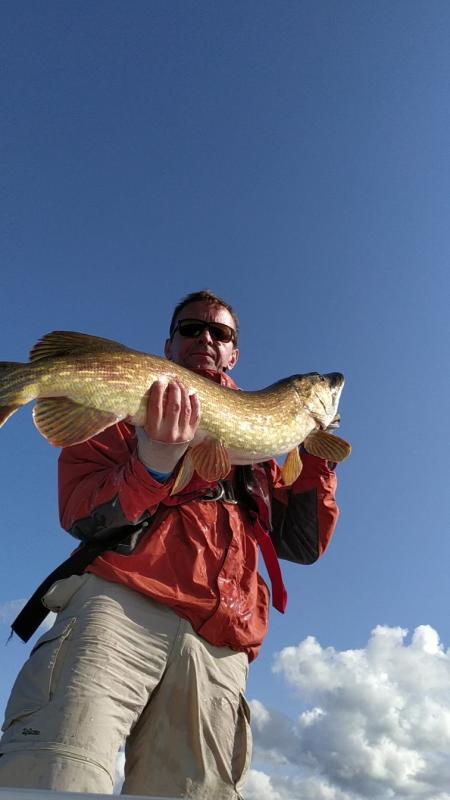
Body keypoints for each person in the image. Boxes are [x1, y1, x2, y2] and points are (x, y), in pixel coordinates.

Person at [0, 290, 340, 799]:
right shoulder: (128, 407)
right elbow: (79, 512)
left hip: (219, 640)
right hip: (119, 607)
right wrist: (151, 463)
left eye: (220, 333)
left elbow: (302, 543)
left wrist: (317, 456)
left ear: (233, 353)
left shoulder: (264, 455)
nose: (205, 338)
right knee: (56, 772)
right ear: (169, 344)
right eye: (191, 328)